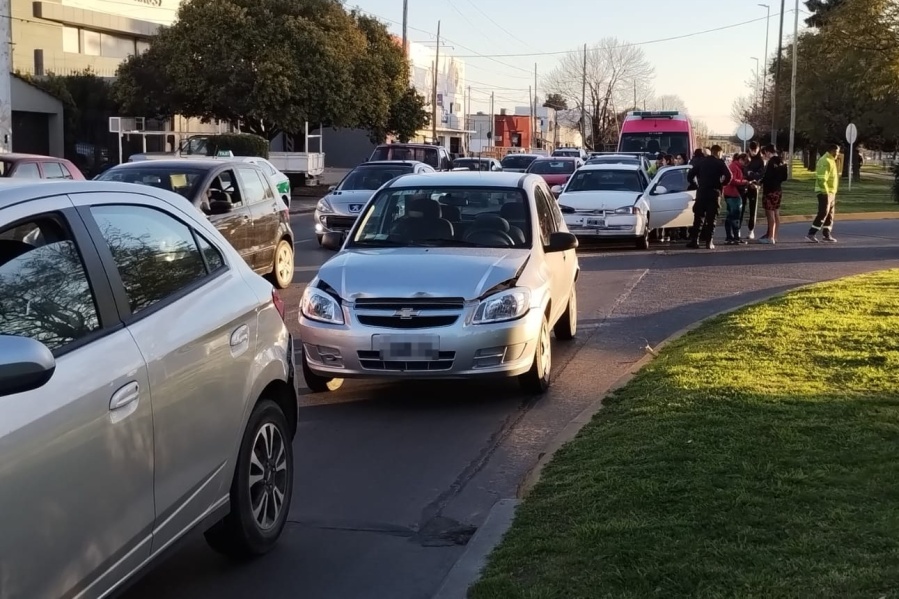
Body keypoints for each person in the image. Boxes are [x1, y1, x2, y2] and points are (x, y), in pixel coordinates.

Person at [686, 144, 731, 249]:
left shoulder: (701, 162)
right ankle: (709, 242)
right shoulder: (720, 163)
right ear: (719, 153)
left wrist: (696, 184)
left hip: (701, 192)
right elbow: (729, 176)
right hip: (714, 193)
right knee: (712, 218)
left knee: (698, 217)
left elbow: (690, 175)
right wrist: (722, 183)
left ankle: (695, 240)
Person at [807, 143, 841, 243]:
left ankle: (827, 234)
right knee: (823, 212)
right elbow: (822, 178)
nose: (837, 154)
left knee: (830, 214)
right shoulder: (825, 160)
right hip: (824, 192)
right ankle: (811, 233)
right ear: (832, 150)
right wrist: (825, 192)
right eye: (837, 152)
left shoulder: (831, 160)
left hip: (831, 192)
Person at [758, 145, 787, 244]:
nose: (765, 156)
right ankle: (775, 236)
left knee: (770, 214)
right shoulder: (782, 161)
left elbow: (767, 177)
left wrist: (760, 182)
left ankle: (770, 237)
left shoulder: (771, 162)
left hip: (770, 191)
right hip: (778, 190)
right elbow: (784, 177)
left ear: (767, 152)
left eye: (764, 153)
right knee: (776, 213)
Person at [722, 153, 750, 244]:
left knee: (730, 215)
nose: (744, 165)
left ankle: (730, 236)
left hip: (729, 193)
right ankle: (735, 237)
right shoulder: (734, 167)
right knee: (735, 215)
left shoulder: (734, 166)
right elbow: (733, 180)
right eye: (744, 163)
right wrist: (744, 182)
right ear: (740, 159)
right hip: (733, 193)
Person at [741, 141, 765, 240]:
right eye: (751, 150)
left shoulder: (761, 160)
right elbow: (743, 169)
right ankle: (737, 229)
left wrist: (751, 174)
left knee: (753, 209)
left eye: (755, 150)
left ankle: (751, 230)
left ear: (758, 149)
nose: (753, 152)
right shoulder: (746, 157)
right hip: (743, 185)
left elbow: (760, 174)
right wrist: (751, 173)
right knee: (741, 208)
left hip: (754, 187)